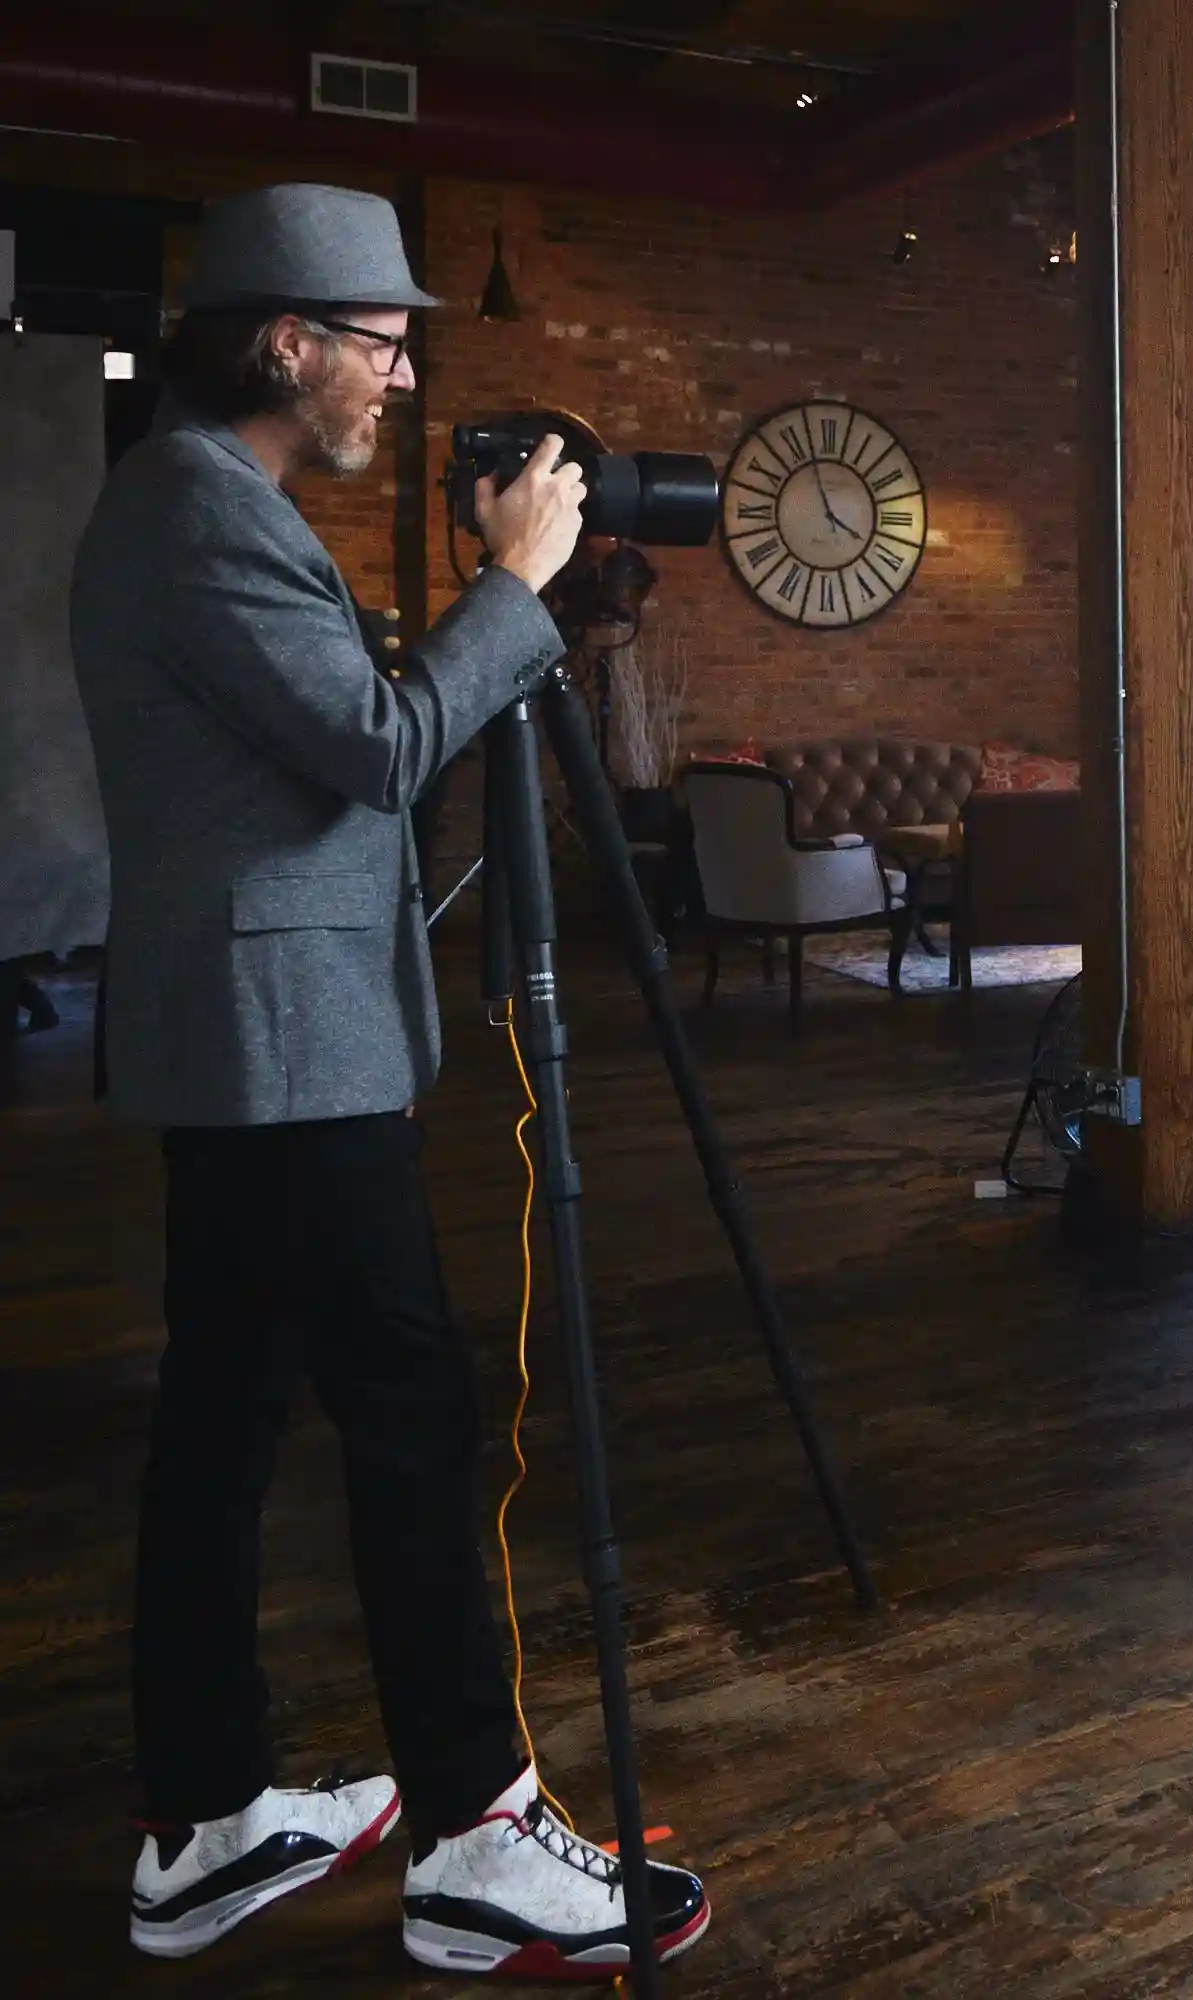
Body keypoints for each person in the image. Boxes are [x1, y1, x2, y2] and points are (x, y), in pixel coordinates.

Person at [69, 184, 710, 1976]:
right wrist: (515, 585)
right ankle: (475, 1835)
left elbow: (336, 772)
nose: (406, 371)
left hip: (257, 1036)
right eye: (383, 338)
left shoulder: (206, 505)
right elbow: (375, 747)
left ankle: (204, 1824)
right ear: (289, 340)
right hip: (283, 1053)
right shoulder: (202, 514)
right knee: (416, 1418)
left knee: (227, 1417)